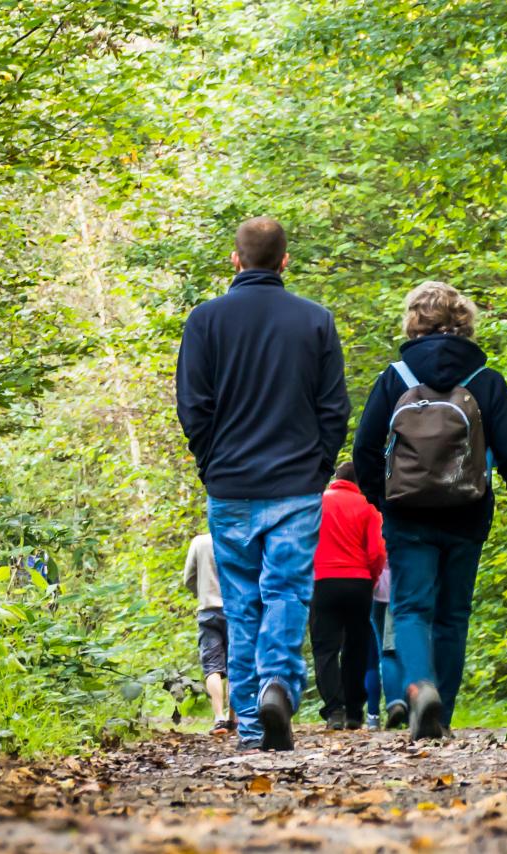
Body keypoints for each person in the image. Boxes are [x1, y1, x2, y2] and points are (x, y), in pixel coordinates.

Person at [177, 217, 350, 751]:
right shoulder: (316, 321)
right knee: (287, 592)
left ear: (235, 260)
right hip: (297, 486)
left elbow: (193, 407)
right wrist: (318, 469)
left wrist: (212, 463)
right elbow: (334, 409)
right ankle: (278, 682)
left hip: (230, 486)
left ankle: (252, 725)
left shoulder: (204, 321)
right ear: (284, 261)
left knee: (242, 602)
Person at [354, 281, 507, 739]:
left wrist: (381, 500)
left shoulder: (395, 377)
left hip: (408, 515)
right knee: (453, 614)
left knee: (412, 609)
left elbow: (364, 447)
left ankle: (421, 687)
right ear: (464, 321)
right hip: (467, 511)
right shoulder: (484, 380)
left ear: (413, 321)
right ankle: (444, 712)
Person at [310, 461, 386, 731]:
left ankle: (335, 710)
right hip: (359, 583)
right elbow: (377, 552)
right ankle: (355, 710)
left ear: (336, 479)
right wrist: (371, 578)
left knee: (325, 648)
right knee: (357, 646)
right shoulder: (367, 507)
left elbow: (305, 541)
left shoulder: (317, 503)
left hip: (323, 582)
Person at [184, 533, 236, 736]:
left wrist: (202, 593)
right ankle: (235, 718)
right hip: (235, 610)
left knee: (213, 666)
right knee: (235, 664)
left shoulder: (199, 542)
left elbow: (188, 578)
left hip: (208, 612)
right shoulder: (237, 538)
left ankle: (219, 717)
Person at [371, 563, 407, 729]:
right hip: (406, 585)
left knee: (387, 652)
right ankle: (410, 708)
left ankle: (395, 703)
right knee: (406, 650)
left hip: (379, 589)